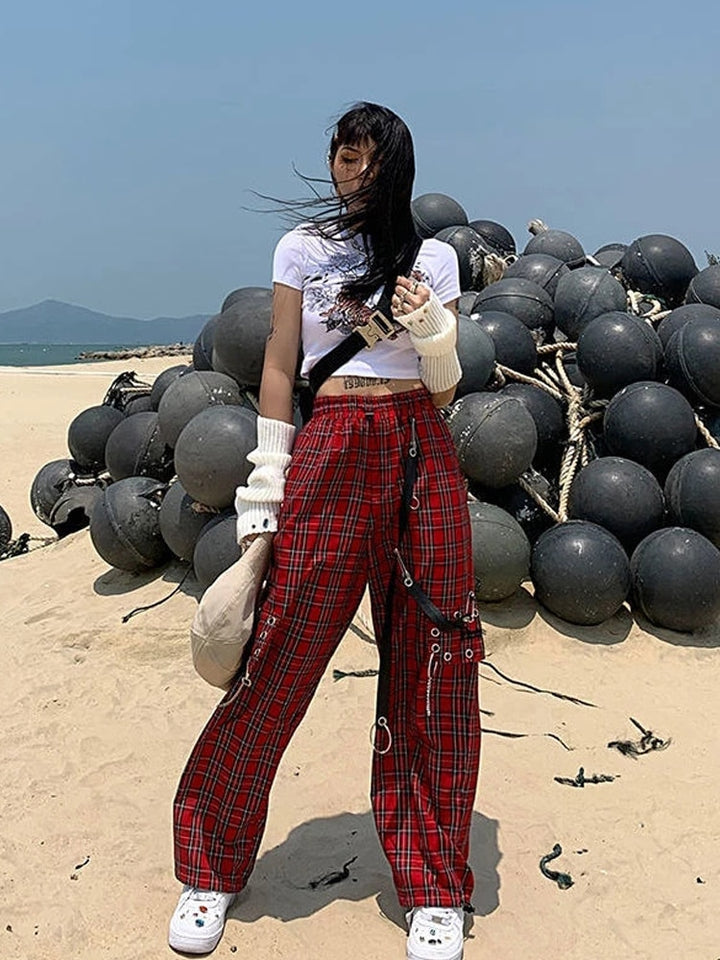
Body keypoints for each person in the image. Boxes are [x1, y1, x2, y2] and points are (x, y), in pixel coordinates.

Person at [169, 102, 483, 960]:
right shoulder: (301, 249)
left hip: (419, 445)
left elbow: (445, 386)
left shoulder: (437, 258)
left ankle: (433, 886)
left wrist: (431, 327)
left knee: (437, 657)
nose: (355, 170)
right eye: (344, 155)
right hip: (332, 443)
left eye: (370, 157)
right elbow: (278, 365)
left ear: (399, 165)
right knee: (279, 650)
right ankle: (212, 865)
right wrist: (264, 495)